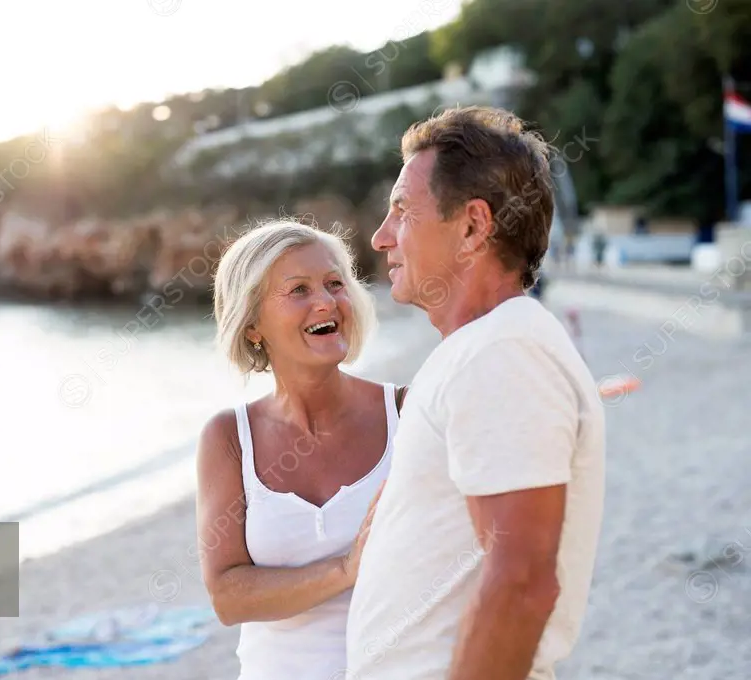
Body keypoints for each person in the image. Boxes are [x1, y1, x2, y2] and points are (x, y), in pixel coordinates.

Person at [345, 106, 606, 680]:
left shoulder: (501, 353)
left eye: (402, 212)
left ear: (471, 227)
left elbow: (521, 582)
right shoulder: (488, 350)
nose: (381, 237)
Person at [196, 221, 408, 679]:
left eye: (336, 284)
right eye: (299, 290)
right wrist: (344, 569)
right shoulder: (229, 438)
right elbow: (228, 596)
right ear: (252, 325)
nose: (327, 302)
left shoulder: (407, 413)